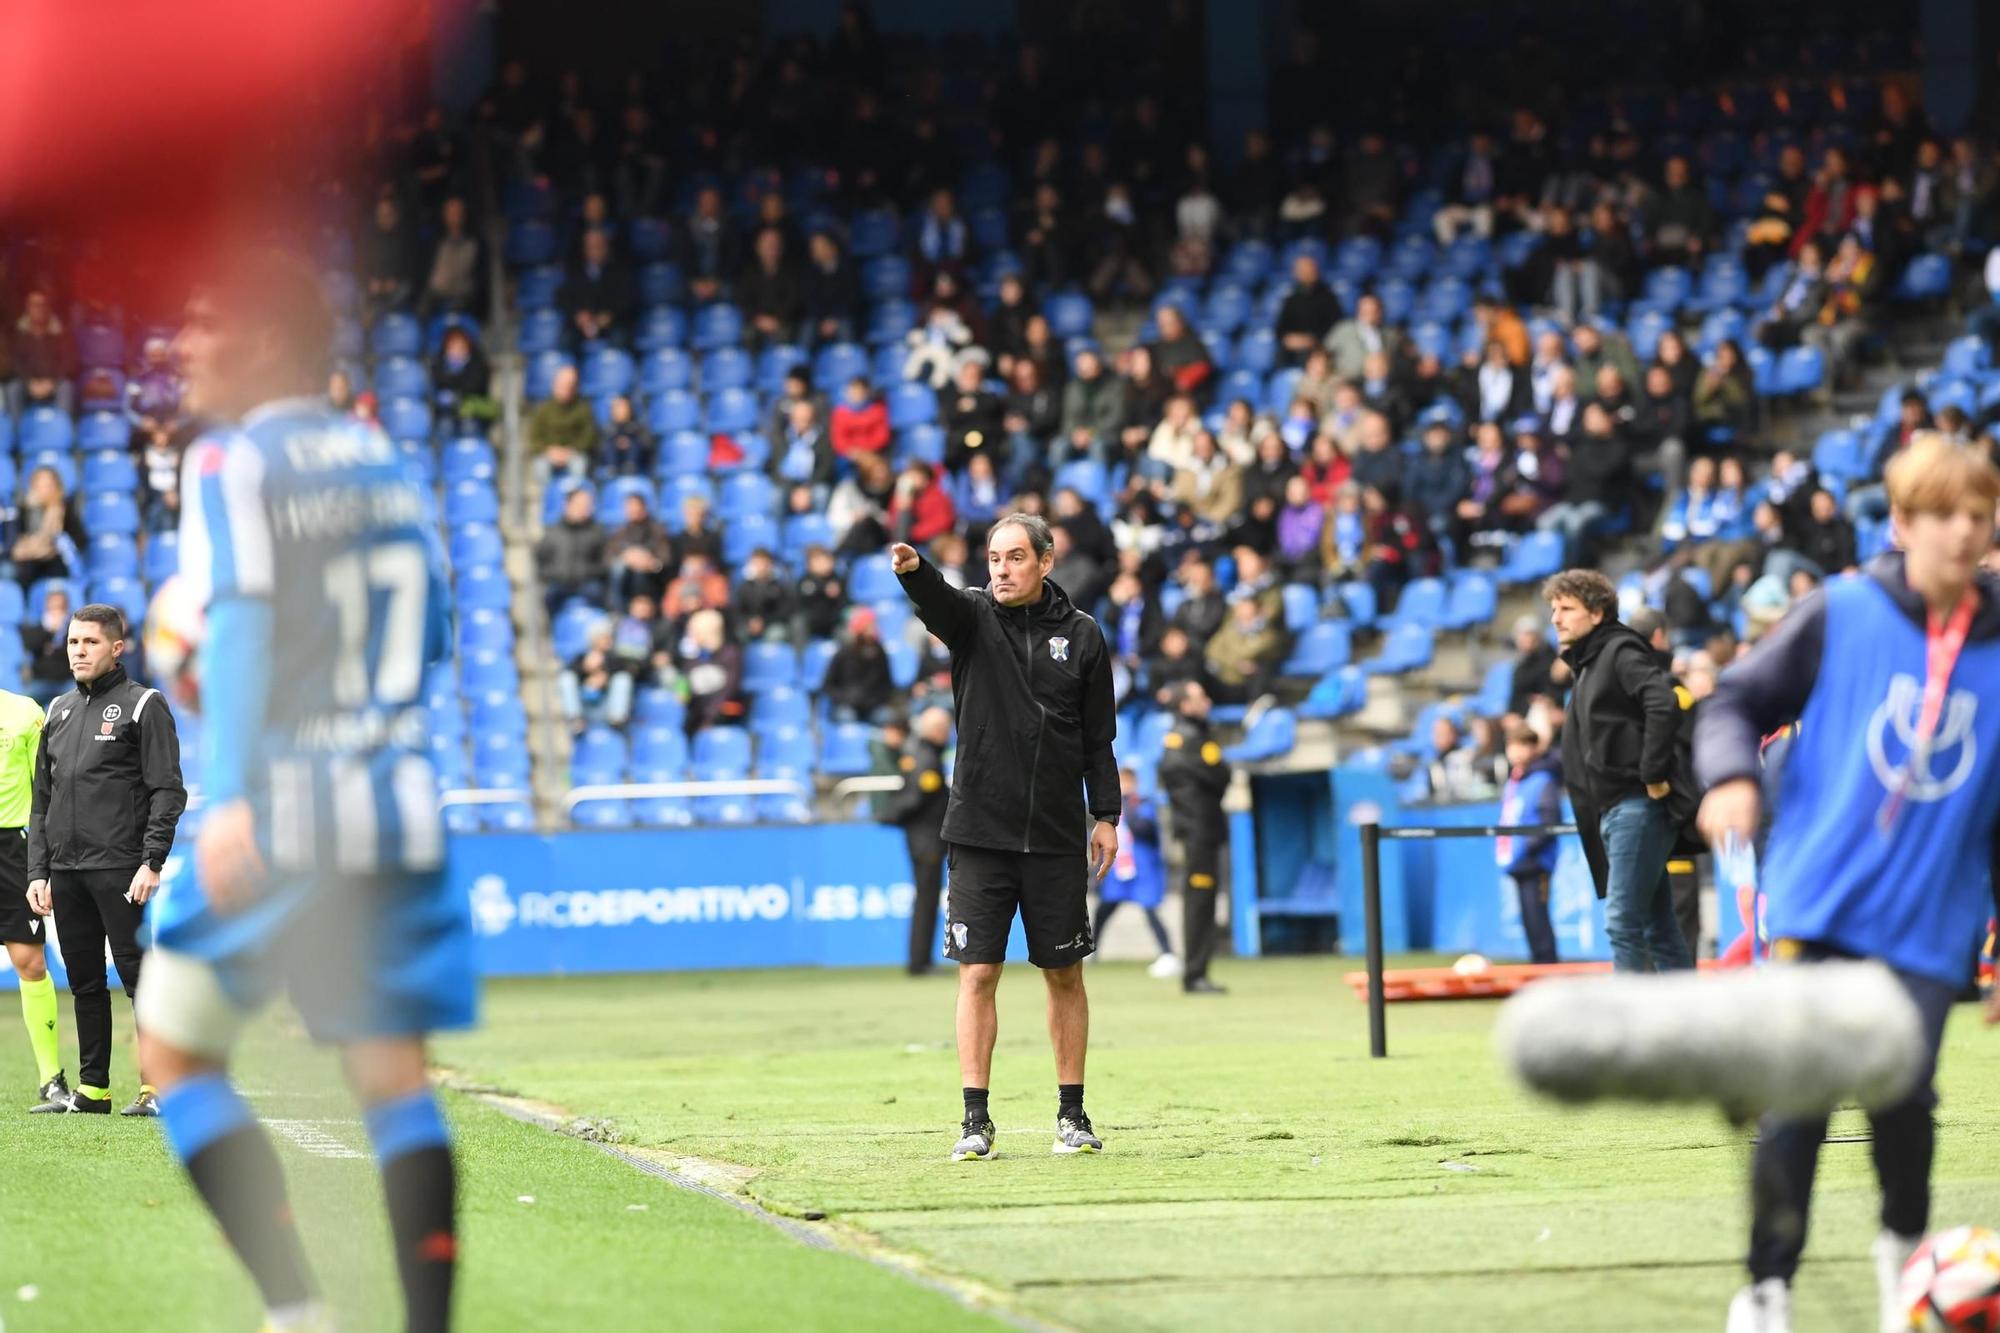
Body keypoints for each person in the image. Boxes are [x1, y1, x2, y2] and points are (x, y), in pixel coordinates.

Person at [132, 253, 470, 1333]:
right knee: (394, 1082)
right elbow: (438, 635)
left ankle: (297, 1313)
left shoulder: (233, 460)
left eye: (204, 320)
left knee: (174, 1050)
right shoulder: (381, 458)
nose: (182, 345)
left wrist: (228, 792)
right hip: (395, 801)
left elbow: (238, 623)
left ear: (269, 341)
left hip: (278, 807)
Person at [1697, 439, 2000, 1333]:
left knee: (1904, 1095)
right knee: (1799, 1100)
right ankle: (1766, 1289)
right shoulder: (1839, 612)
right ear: (1901, 523)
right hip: (1818, 903)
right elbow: (1731, 702)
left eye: (1979, 515)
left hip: (1931, 925)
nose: (1964, 530)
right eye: (1942, 514)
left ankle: (1902, 1259)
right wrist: (1732, 778)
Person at [890, 514, 1119, 1161]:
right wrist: (915, 572)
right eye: (994, 557)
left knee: (1064, 974)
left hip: (1052, 835)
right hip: (980, 834)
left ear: (1046, 562)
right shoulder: (971, 619)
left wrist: (1106, 814)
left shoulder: (1083, 637)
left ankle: (1071, 1114)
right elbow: (937, 600)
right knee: (978, 973)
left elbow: (1099, 737)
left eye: (1015, 556)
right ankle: (975, 1119)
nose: (1001, 568)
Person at [26, 603, 185, 1116]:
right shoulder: (57, 710)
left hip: (122, 869)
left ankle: (157, 1087)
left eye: (90, 642)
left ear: (117, 648)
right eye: (73, 642)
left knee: (140, 979)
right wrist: (38, 871)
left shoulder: (145, 705)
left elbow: (167, 790)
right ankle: (93, 1090)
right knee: (85, 983)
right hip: (66, 872)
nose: (78, 651)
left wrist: (152, 860)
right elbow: (41, 801)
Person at [1544, 568, 1693, 973]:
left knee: (1622, 923)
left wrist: (1652, 774)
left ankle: (1629, 1033)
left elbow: (1663, 702)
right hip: (1616, 810)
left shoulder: (1619, 650)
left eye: (1567, 608)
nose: (1556, 618)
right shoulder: (1590, 661)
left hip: (1635, 807)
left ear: (1597, 613)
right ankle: (1698, 1023)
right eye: (1554, 609)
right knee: (1656, 927)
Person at [0, 685, 61, 1106]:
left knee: (29, 961)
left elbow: (46, 792)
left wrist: (47, 859)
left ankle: (51, 1079)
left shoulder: (23, 711)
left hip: (12, 848)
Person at [1158, 680, 1231, 995]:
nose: (1208, 701)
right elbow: (1218, 775)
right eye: (1200, 697)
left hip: (1205, 830)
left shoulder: (1200, 735)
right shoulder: (1183, 739)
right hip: (1197, 833)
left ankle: (1198, 971)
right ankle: (1194, 974)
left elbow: (1219, 775)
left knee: (1204, 901)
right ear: (1185, 705)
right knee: (1199, 901)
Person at [881, 706, 952, 976]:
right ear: (937, 730)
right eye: (945, 728)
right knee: (926, 900)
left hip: (923, 839)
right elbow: (916, 796)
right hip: (927, 841)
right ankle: (919, 963)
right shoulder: (926, 756)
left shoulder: (919, 752)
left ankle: (920, 960)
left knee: (926, 899)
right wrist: (889, 816)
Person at [1094, 768, 1177, 977]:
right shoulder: (1107, 810)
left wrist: (1125, 806)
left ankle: (1168, 955)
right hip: (1118, 871)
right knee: (1103, 911)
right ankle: (1091, 950)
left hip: (1142, 870)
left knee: (1151, 912)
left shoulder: (1143, 804)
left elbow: (1144, 829)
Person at [1495, 722, 1563, 964]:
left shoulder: (1543, 780)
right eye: (1511, 745)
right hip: (1518, 863)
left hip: (1536, 863)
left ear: (1534, 748)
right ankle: (1539, 967)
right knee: (1529, 921)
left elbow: (1548, 822)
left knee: (1538, 921)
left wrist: (1526, 848)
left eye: (1522, 745)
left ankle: (1548, 969)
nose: (1515, 752)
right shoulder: (1515, 781)